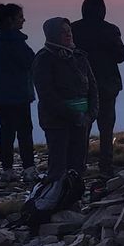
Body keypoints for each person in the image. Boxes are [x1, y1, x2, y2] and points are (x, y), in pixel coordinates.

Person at [33, 18, 100, 186]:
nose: (68, 34)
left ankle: (73, 198)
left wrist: (91, 113)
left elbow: (92, 86)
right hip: (57, 123)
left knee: (78, 165)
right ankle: (56, 201)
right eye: (63, 31)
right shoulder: (44, 59)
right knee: (59, 167)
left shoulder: (78, 56)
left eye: (69, 30)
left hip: (82, 120)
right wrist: (72, 115)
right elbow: (47, 95)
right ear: (52, 34)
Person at [71, 0, 124, 178]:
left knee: (81, 127)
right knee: (106, 127)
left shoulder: (73, 29)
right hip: (107, 87)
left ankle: (78, 166)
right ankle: (106, 166)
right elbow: (120, 56)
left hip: (80, 88)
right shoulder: (110, 30)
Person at [0, 3, 38, 183]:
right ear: (10, 20)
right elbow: (32, 62)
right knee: (24, 130)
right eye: (20, 17)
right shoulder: (15, 42)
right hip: (18, 93)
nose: (24, 20)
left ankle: (7, 169)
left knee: (6, 130)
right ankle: (29, 168)